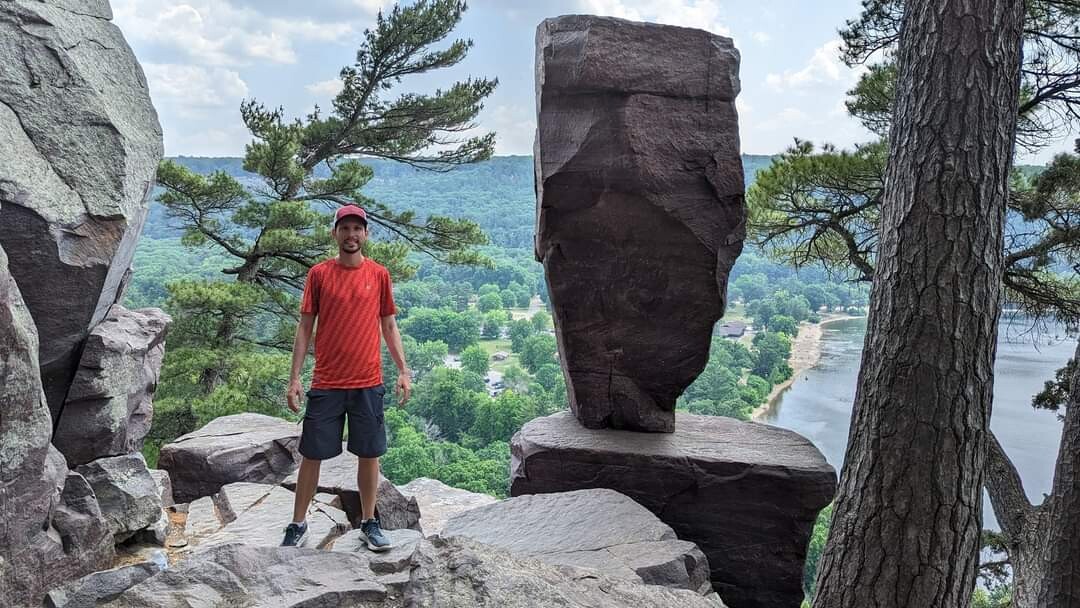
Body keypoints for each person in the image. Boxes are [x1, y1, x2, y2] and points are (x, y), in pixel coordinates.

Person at [281, 204, 411, 551]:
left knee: (369, 454)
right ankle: (297, 524)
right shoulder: (319, 275)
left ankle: (370, 522)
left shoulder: (379, 275)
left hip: (368, 381)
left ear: (365, 234)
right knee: (312, 453)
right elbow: (305, 326)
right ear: (335, 233)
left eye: (357, 229)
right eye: (345, 228)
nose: (351, 235)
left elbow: (388, 325)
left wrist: (403, 369)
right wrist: (294, 378)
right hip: (326, 381)